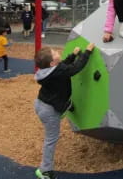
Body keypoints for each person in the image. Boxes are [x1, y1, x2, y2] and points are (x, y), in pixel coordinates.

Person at [34, 42, 95, 179]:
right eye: (54, 53)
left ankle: (65, 106)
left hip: (42, 103)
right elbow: (75, 69)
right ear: (51, 63)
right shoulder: (57, 71)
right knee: (51, 139)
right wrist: (87, 52)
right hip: (49, 110)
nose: (57, 51)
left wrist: (73, 55)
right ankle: (45, 171)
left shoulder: (49, 71)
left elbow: (63, 66)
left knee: (60, 103)